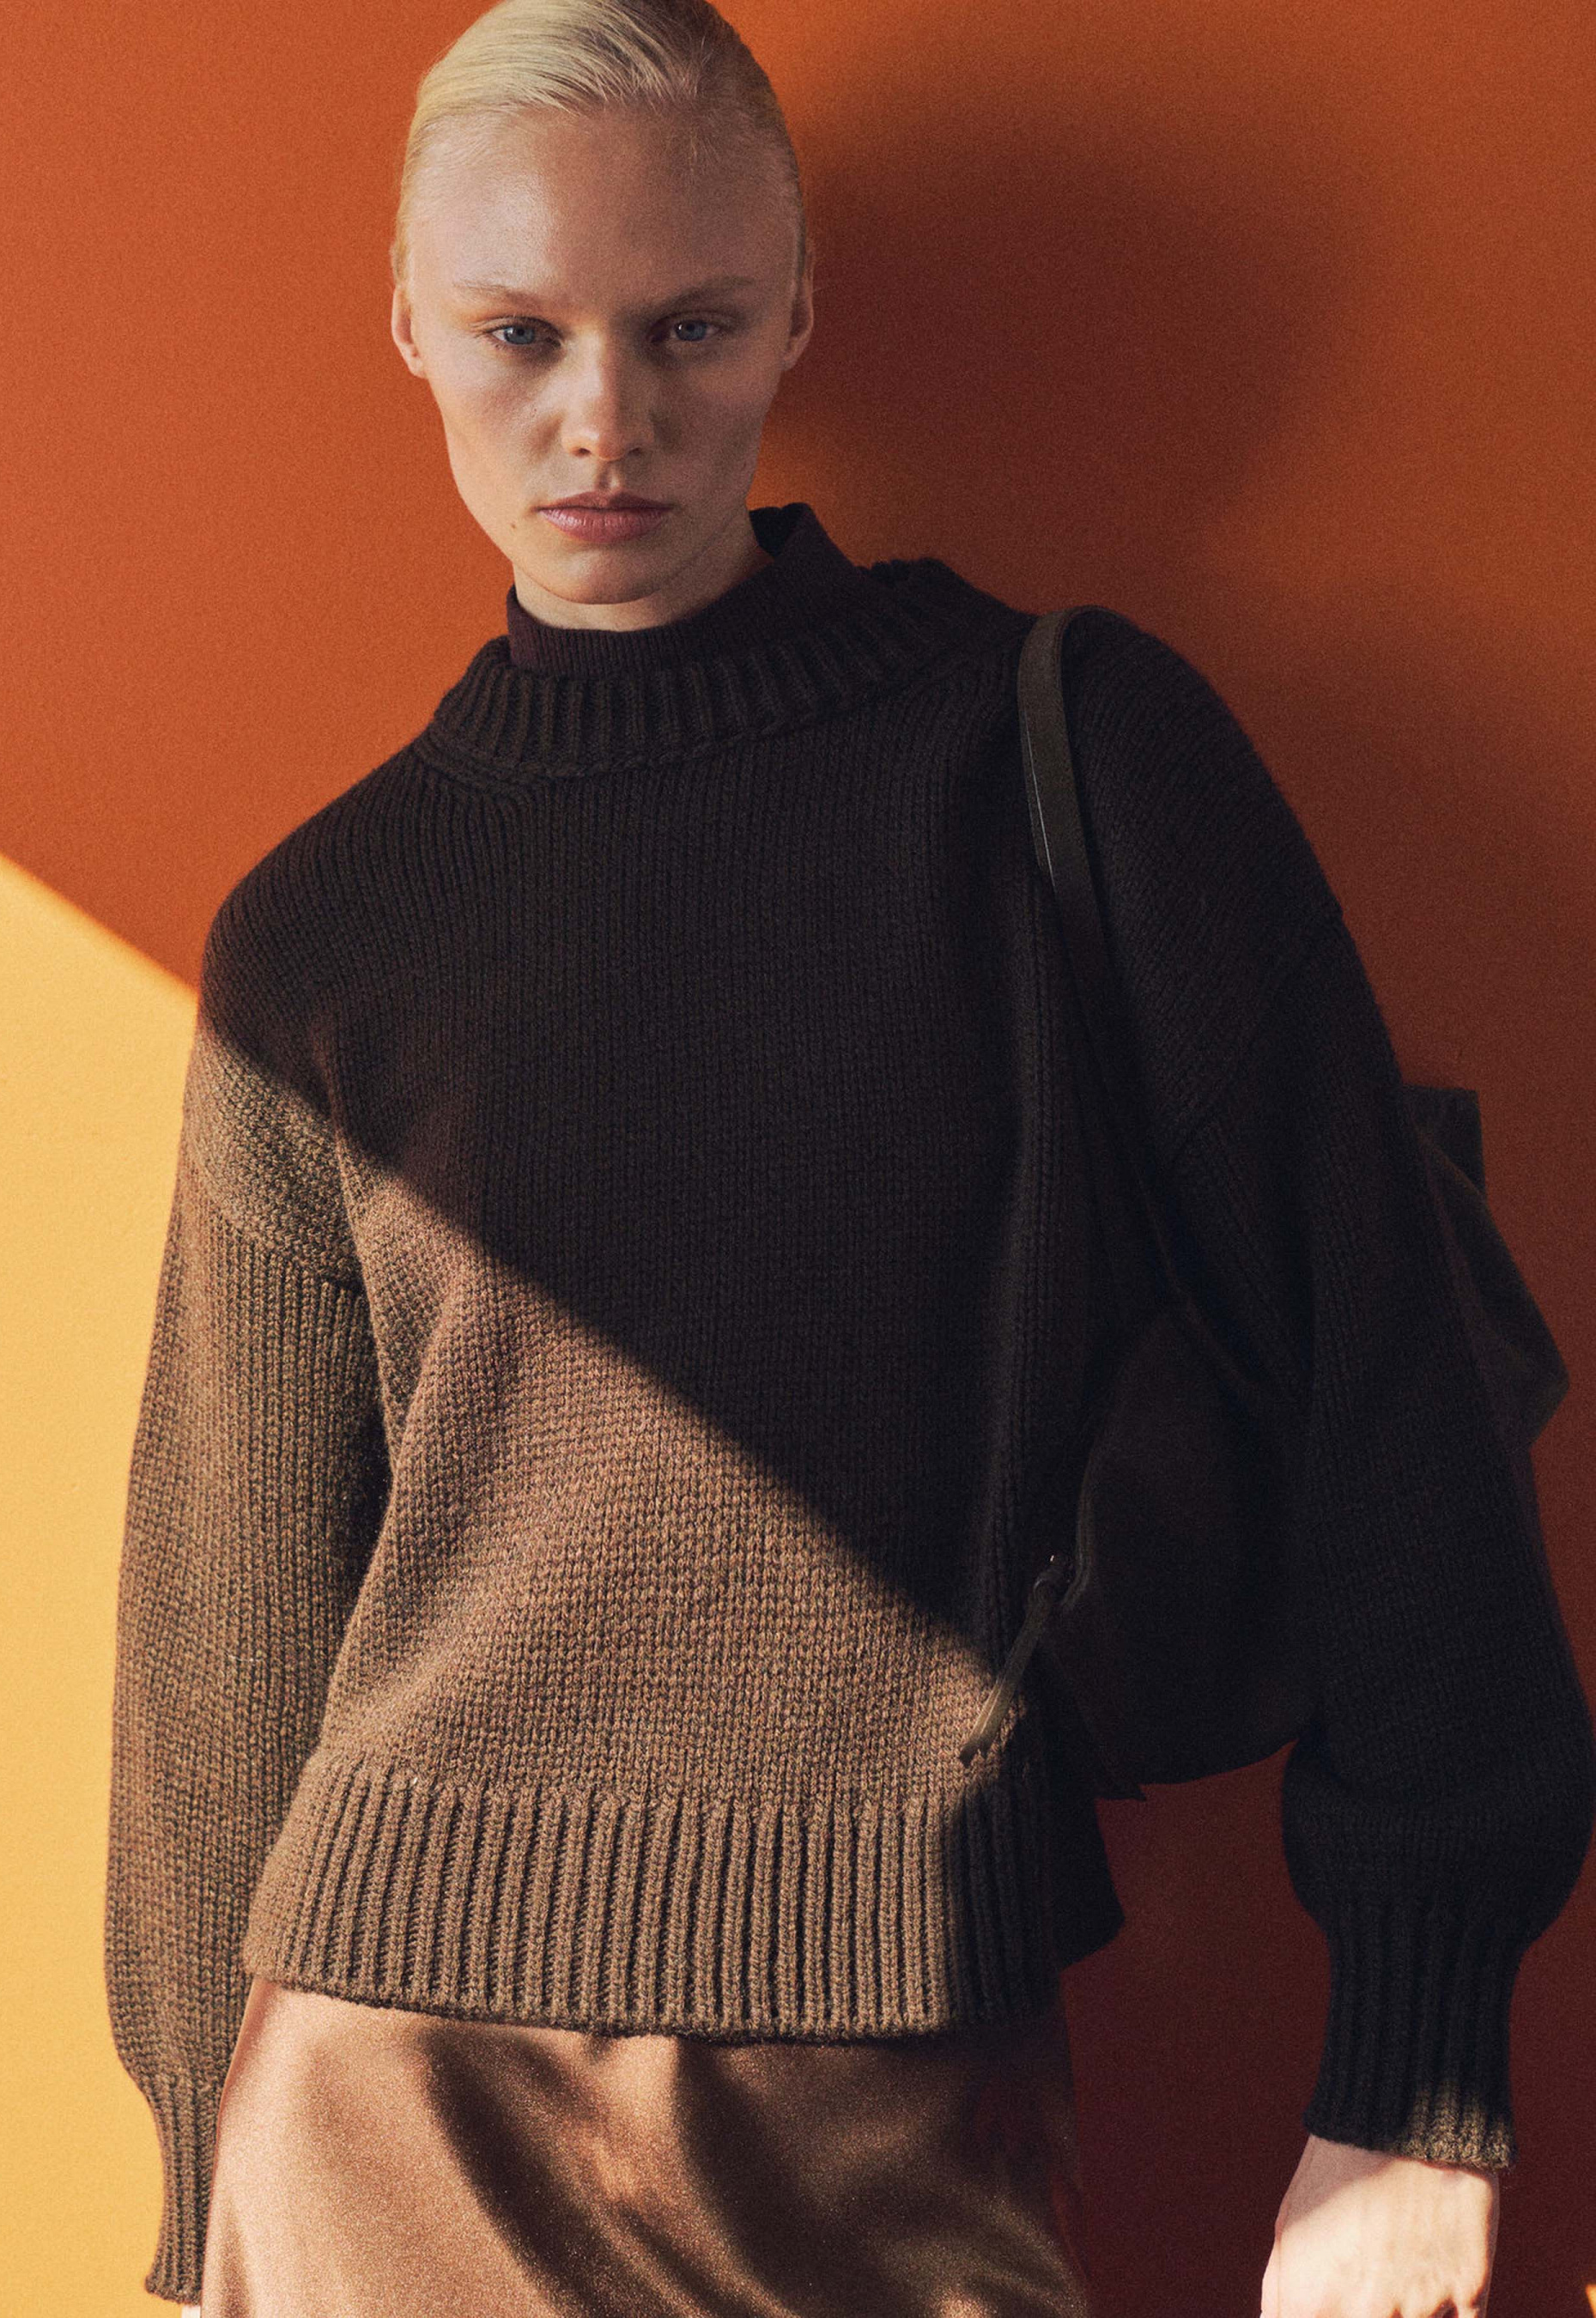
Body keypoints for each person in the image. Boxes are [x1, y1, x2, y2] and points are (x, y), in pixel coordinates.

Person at [101, 2, 1595, 2313]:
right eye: (519, 333)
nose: (604, 418)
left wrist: (1415, 2076)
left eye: (689, 325)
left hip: (897, 2095)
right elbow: (229, 1636)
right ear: (408, 324)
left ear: (798, 310)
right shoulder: (325, 926)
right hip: (379, 2103)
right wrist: (197, 2203)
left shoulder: (1064, 758)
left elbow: (1389, 1379)